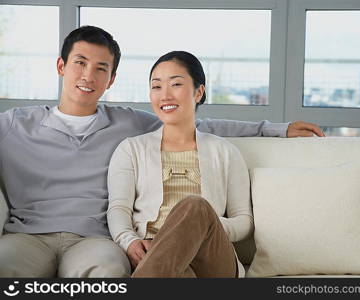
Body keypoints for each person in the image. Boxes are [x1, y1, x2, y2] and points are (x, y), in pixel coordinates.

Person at [0, 25, 323, 278]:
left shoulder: (126, 124)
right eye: (80, 63)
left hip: (94, 240)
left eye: (101, 68)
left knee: (110, 271)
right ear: (61, 66)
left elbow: (195, 122)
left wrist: (272, 129)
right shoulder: (14, 124)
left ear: (111, 79)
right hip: (27, 235)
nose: (88, 76)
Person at [107, 51, 253, 277]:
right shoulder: (131, 149)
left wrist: (204, 225)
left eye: (175, 84)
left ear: (199, 92)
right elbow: (118, 208)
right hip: (155, 254)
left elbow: (244, 221)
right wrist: (130, 242)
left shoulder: (225, 151)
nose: (164, 95)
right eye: (156, 87)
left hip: (212, 258)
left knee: (196, 206)